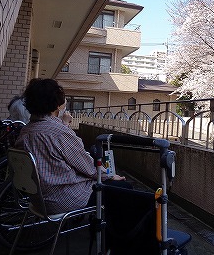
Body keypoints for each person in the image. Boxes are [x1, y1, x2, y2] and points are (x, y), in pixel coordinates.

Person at [15, 78, 130, 214]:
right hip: (65, 199)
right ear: (57, 104)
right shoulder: (59, 133)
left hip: (37, 200)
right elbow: (88, 168)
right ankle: (104, 232)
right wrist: (110, 176)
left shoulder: (26, 131)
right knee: (124, 188)